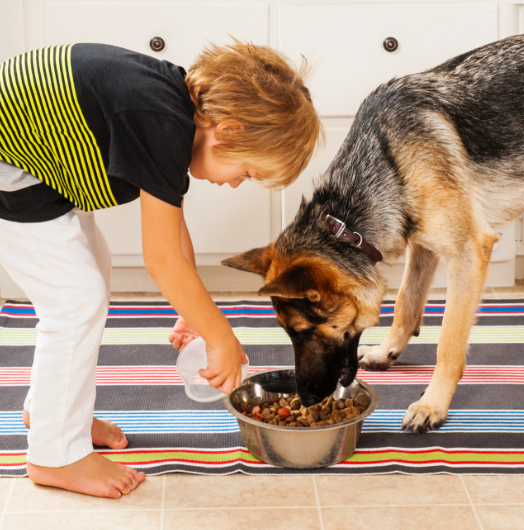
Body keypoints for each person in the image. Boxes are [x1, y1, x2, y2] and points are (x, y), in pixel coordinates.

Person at [0, 40, 321, 498]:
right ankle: (55, 455)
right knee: (74, 302)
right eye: (245, 172)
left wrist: (191, 309)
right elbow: (162, 259)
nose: (234, 183)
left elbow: (172, 231)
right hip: (10, 164)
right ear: (226, 131)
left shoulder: (171, 110)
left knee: (91, 272)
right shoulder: (163, 121)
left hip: (35, 159)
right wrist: (220, 336)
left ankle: (53, 412)